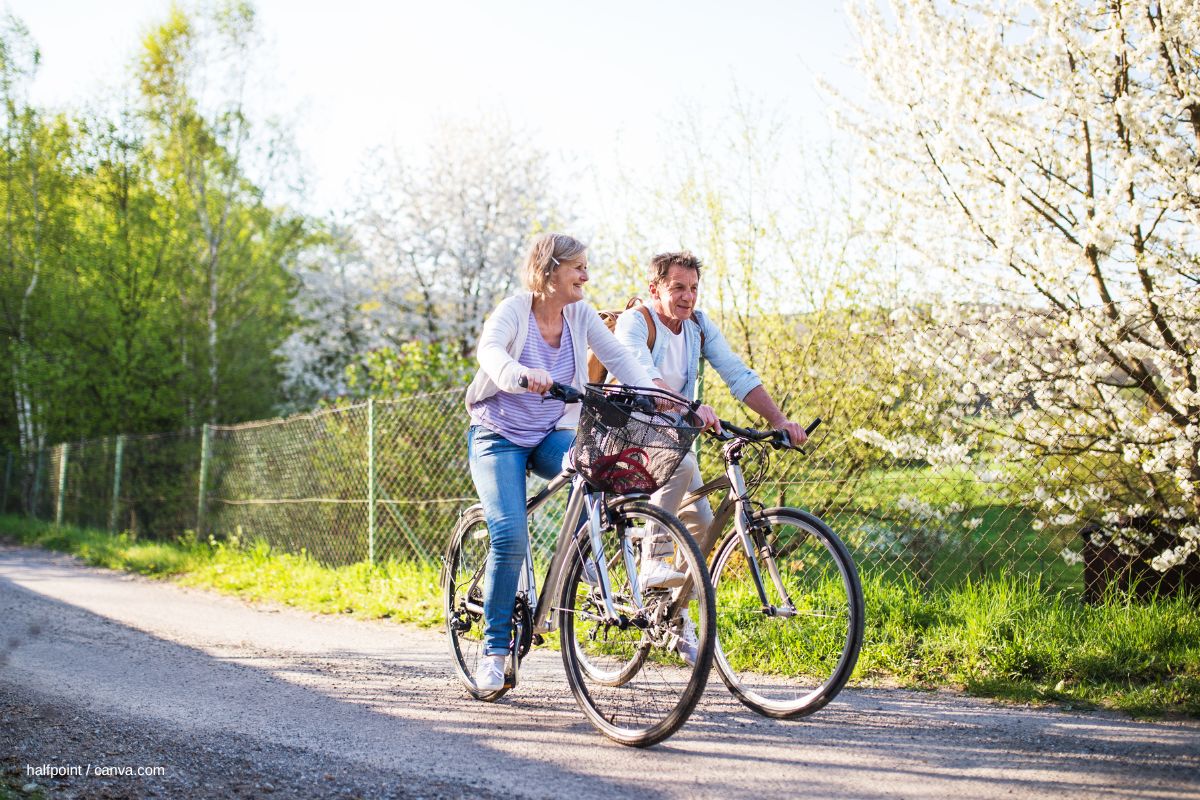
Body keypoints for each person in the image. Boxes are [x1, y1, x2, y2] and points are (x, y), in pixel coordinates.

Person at [464, 232, 657, 693]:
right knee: (510, 535)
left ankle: (586, 558)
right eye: (578, 268)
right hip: (498, 436)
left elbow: (618, 357)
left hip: (550, 433)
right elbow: (489, 351)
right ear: (549, 270)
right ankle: (494, 652)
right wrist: (516, 373)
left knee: (596, 471)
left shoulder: (579, 314)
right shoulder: (516, 309)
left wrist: (655, 394)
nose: (587, 276)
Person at [614, 250, 808, 663]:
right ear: (655, 289)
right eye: (678, 287)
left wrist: (780, 421)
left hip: (674, 434)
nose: (688, 297)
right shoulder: (638, 321)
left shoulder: (698, 327)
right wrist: (685, 409)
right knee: (681, 464)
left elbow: (736, 374)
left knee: (703, 527)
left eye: (694, 289)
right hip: (628, 431)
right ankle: (652, 563)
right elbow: (641, 377)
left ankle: (672, 614)